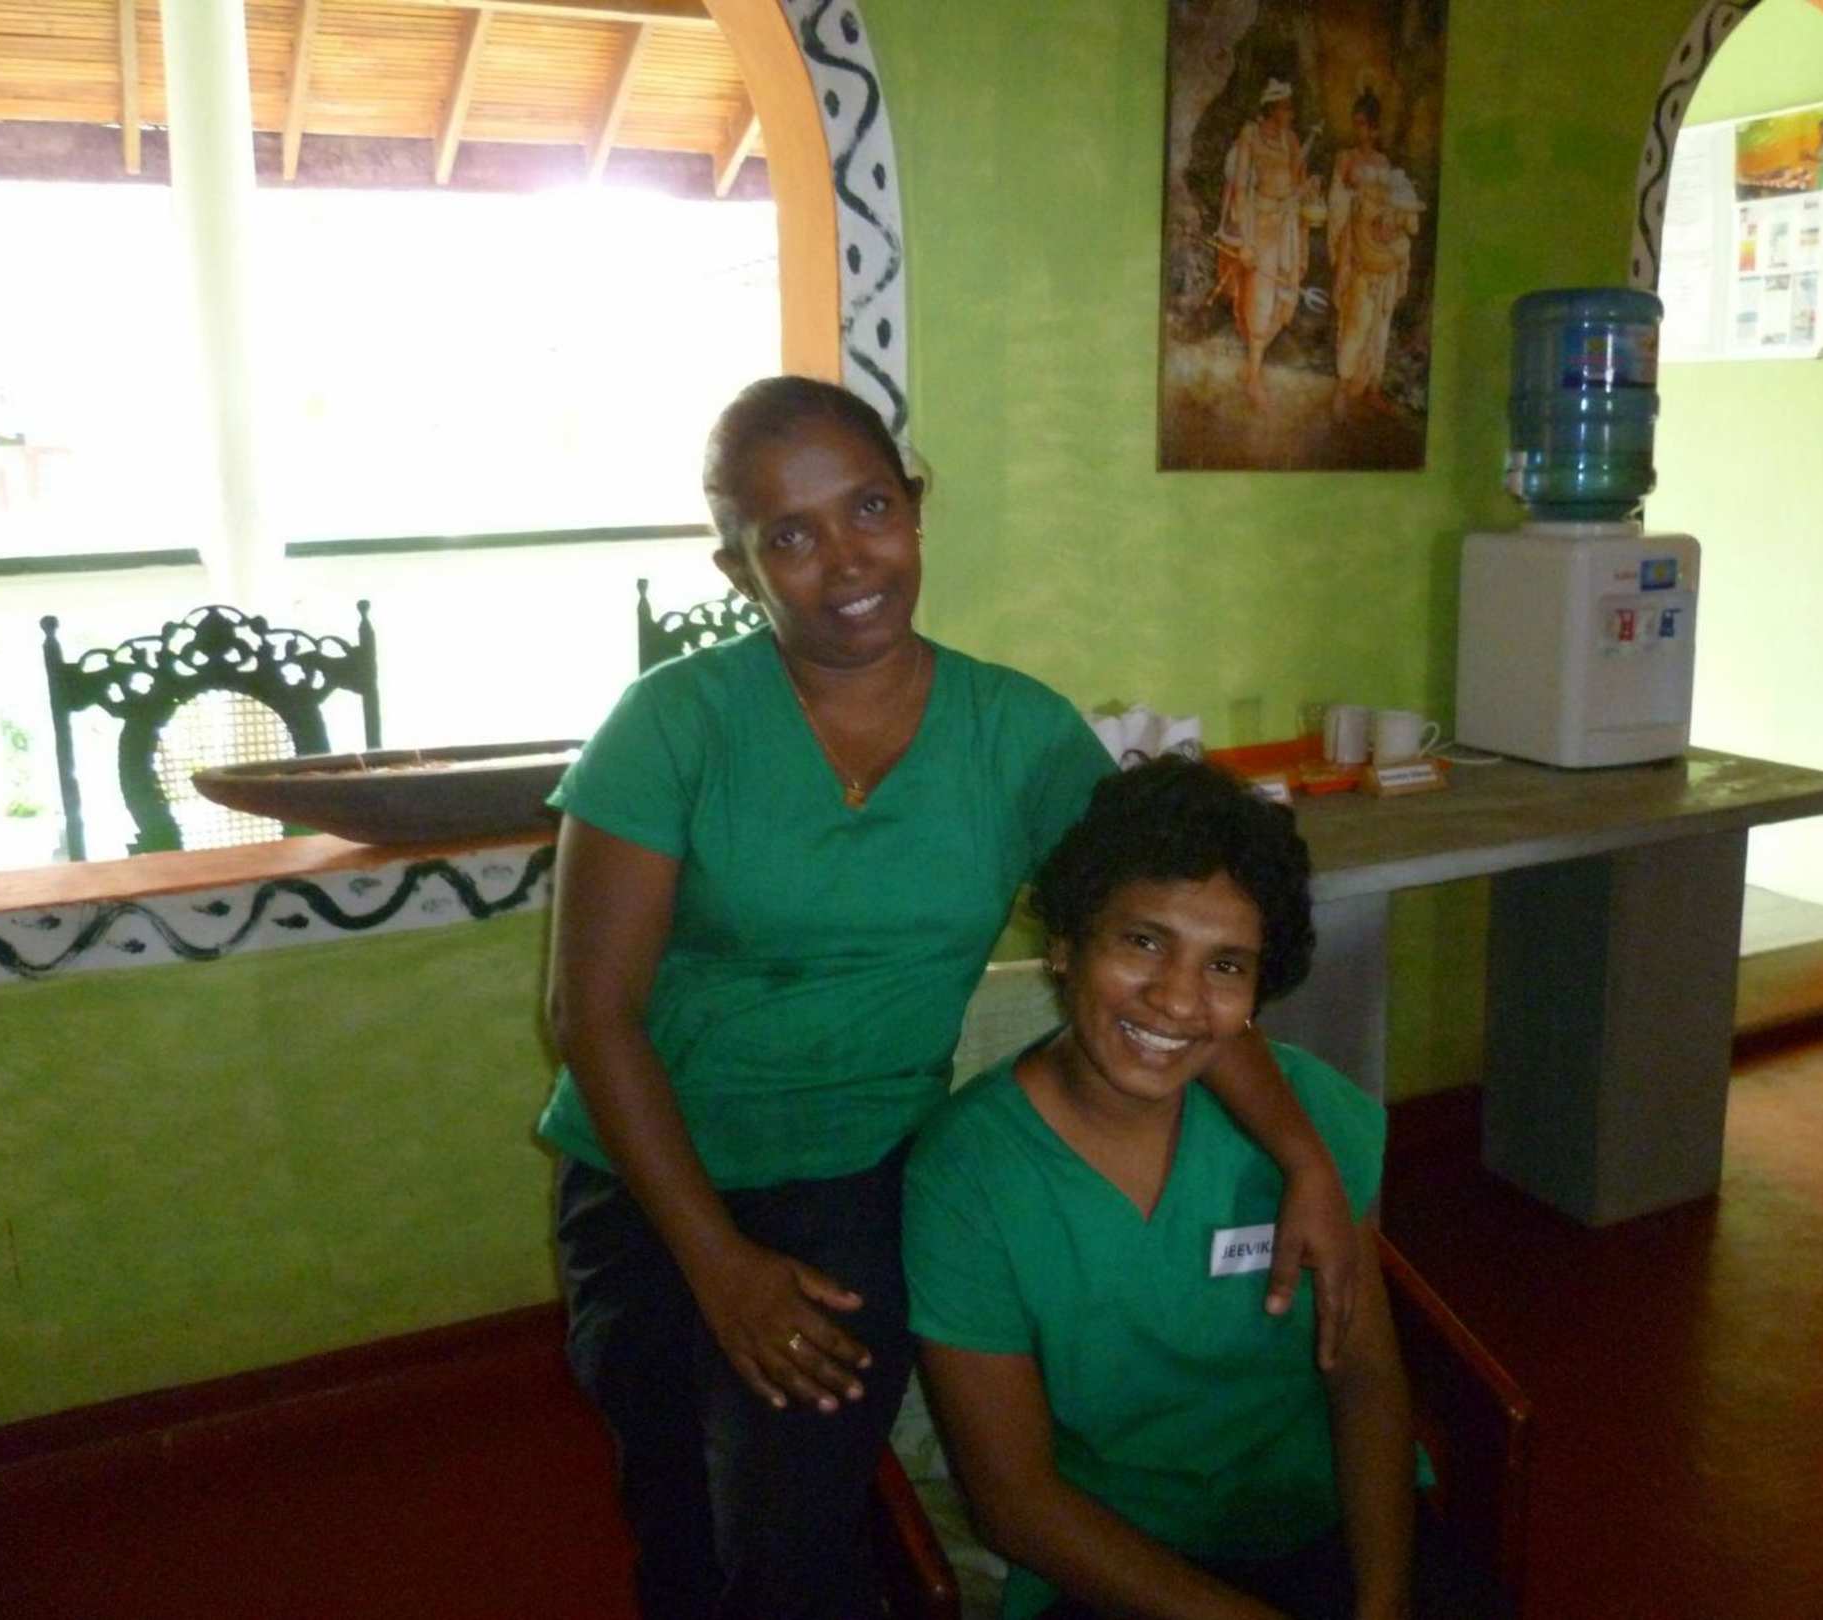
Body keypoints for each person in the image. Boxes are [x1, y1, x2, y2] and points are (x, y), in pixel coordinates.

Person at [540, 376, 1364, 1620]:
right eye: (789, 535)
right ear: (735, 567)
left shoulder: (1016, 736)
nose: (845, 559)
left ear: (915, 506)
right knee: (676, 1511)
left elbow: (1170, 958)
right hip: (647, 1177)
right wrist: (718, 1263)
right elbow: (593, 1017)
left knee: (789, 1525)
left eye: (870, 507)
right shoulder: (672, 725)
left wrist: (1304, 1156)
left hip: (858, 1173)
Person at [903, 757, 1414, 1620]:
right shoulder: (968, 1179)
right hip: (1114, 1563)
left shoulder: (1305, 1119)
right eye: (1143, 942)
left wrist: (1384, 1603)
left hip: (1322, 1528)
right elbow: (1015, 1501)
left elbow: (1363, 1374)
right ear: (1065, 945)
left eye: (1226, 966)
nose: (1178, 1000)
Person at [1215, 79, 1311, 410]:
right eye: (1286, 107)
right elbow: (1241, 189)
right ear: (1271, 108)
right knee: (1260, 300)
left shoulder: (1291, 139)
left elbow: (1296, 181)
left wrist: (1306, 189)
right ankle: (1254, 379)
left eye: (1290, 107)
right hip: (1259, 226)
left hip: (1285, 227)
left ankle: (1251, 368)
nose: (1290, 113)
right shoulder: (1251, 135)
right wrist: (1245, 241)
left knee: (1284, 299)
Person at [1326, 91, 1421, 418]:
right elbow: (1338, 205)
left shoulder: (1384, 164)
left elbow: (1395, 206)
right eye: (1356, 123)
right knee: (1356, 324)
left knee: (1380, 329)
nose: (1359, 130)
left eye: (1365, 125)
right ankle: (1342, 389)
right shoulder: (1346, 159)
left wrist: (1390, 223)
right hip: (1358, 250)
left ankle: (1373, 388)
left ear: (1375, 129)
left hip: (1382, 252)